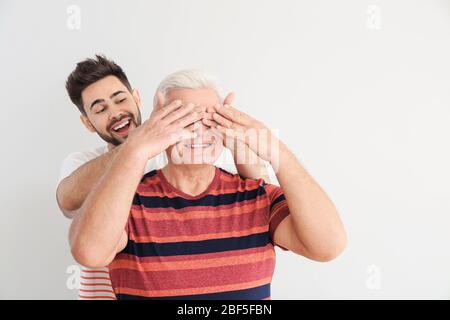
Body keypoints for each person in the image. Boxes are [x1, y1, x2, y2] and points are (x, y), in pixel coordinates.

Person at [68, 69, 347, 299]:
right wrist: (137, 147)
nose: (199, 130)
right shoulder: (127, 202)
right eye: (184, 118)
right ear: (158, 124)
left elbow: (329, 246)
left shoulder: (256, 195)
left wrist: (275, 149)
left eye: (209, 118)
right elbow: (90, 251)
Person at [58, 56, 268, 299]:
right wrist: (138, 144)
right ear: (88, 123)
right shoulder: (80, 163)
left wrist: (230, 130)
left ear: (136, 98)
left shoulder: (187, 152)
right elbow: (67, 201)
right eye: (101, 109)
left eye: (120, 99)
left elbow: (260, 193)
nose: (116, 113)